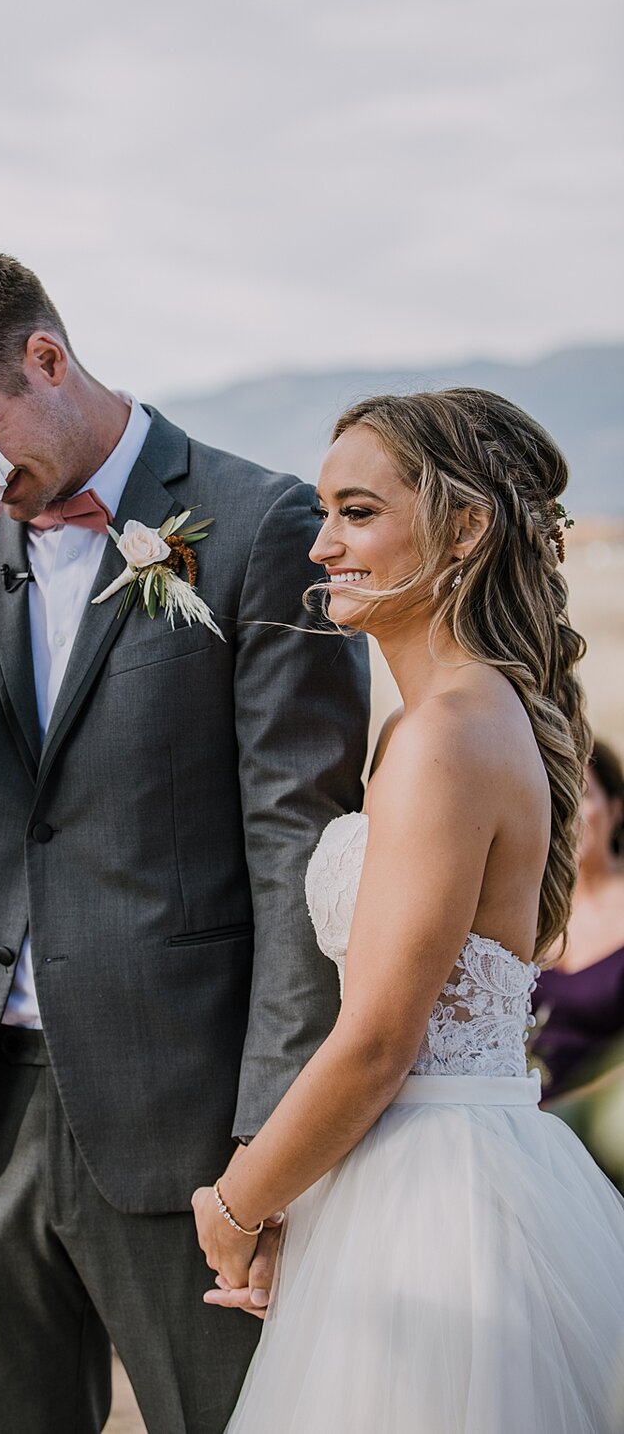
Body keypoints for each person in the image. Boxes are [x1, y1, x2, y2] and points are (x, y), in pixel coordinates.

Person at [0, 241, 370, 1433]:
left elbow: (299, 855)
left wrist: (269, 1146)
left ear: (46, 359)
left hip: (186, 1126)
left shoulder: (264, 523)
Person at [193, 390, 624, 1433]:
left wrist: (233, 1204)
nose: (322, 543)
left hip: (433, 1203)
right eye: (325, 513)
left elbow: (381, 1038)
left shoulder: (444, 737)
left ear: (466, 528)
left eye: (357, 511)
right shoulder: (446, 723)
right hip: (411, 1165)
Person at [532, 739, 624, 1099]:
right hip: (521, 1114)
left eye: (582, 794)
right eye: (558, 796)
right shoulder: (528, 909)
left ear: (615, 810)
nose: (568, 812)